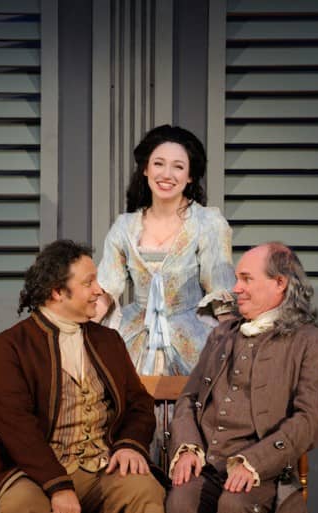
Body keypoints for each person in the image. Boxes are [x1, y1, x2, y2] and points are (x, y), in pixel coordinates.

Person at [0, 240, 165, 513]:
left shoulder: (108, 341)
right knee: (21, 506)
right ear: (57, 292)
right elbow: (14, 423)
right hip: (37, 473)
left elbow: (139, 404)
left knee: (144, 491)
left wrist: (129, 446)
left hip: (103, 466)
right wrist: (57, 484)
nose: (99, 291)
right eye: (88, 283)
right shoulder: (13, 345)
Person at [165, 243, 318, 513]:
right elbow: (189, 398)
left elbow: (310, 420)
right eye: (237, 279)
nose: (236, 288)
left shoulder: (312, 342)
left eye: (246, 279)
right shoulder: (223, 334)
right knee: (181, 501)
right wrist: (188, 447)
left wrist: (254, 462)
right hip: (209, 467)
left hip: (265, 472)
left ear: (280, 283)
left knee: (234, 504)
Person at [95, 124, 236, 376]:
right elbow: (105, 289)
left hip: (194, 335)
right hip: (134, 336)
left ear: (190, 175)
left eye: (178, 166)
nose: (167, 174)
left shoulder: (208, 223)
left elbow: (221, 290)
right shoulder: (124, 227)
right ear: (146, 169)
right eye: (159, 164)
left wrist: (233, 350)